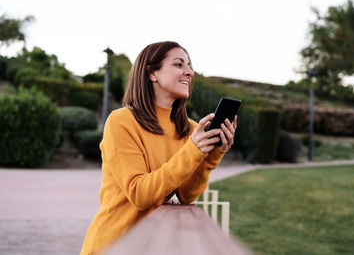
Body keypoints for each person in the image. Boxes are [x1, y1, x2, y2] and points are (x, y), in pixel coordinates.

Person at [80, 41, 237, 254]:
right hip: (113, 245)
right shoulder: (121, 122)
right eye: (179, 64)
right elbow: (140, 194)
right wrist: (193, 149)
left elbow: (186, 194)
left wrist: (213, 153)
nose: (189, 72)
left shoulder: (190, 129)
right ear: (153, 73)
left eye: (189, 65)